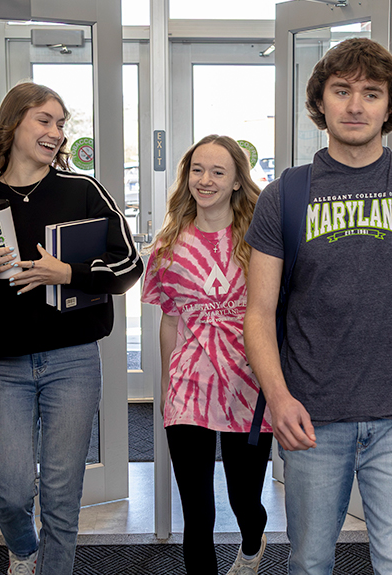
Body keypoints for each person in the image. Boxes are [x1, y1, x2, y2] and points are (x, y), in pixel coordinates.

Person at [243, 38, 392, 575]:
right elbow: (257, 312)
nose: (355, 105)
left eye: (371, 94)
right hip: (311, 418)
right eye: (342, 90)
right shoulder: (285, 195)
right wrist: (278, 397)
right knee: (308, 563)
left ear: (388, 107)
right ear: (321, 102)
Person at [0, 82, 143, 575]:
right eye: (44, 120)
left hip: (74, 361)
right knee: (10, 491)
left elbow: (129, 265)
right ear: (13, 123)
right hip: (7, 366)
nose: (56, 132)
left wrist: (70, 273)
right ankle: (23, 551)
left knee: (62, 493)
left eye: (61, 124)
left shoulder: (83, 190)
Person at [142, 135, 273, 575]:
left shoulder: (261, 242)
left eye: (218, 171)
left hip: (248, 388)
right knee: (197, 512)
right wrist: (166, 387)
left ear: (238, 180)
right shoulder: (168, 245)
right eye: (198, 169)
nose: (205, 179)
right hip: (189, 389)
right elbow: (170, 321)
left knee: (244, 500)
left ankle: (253, 546)